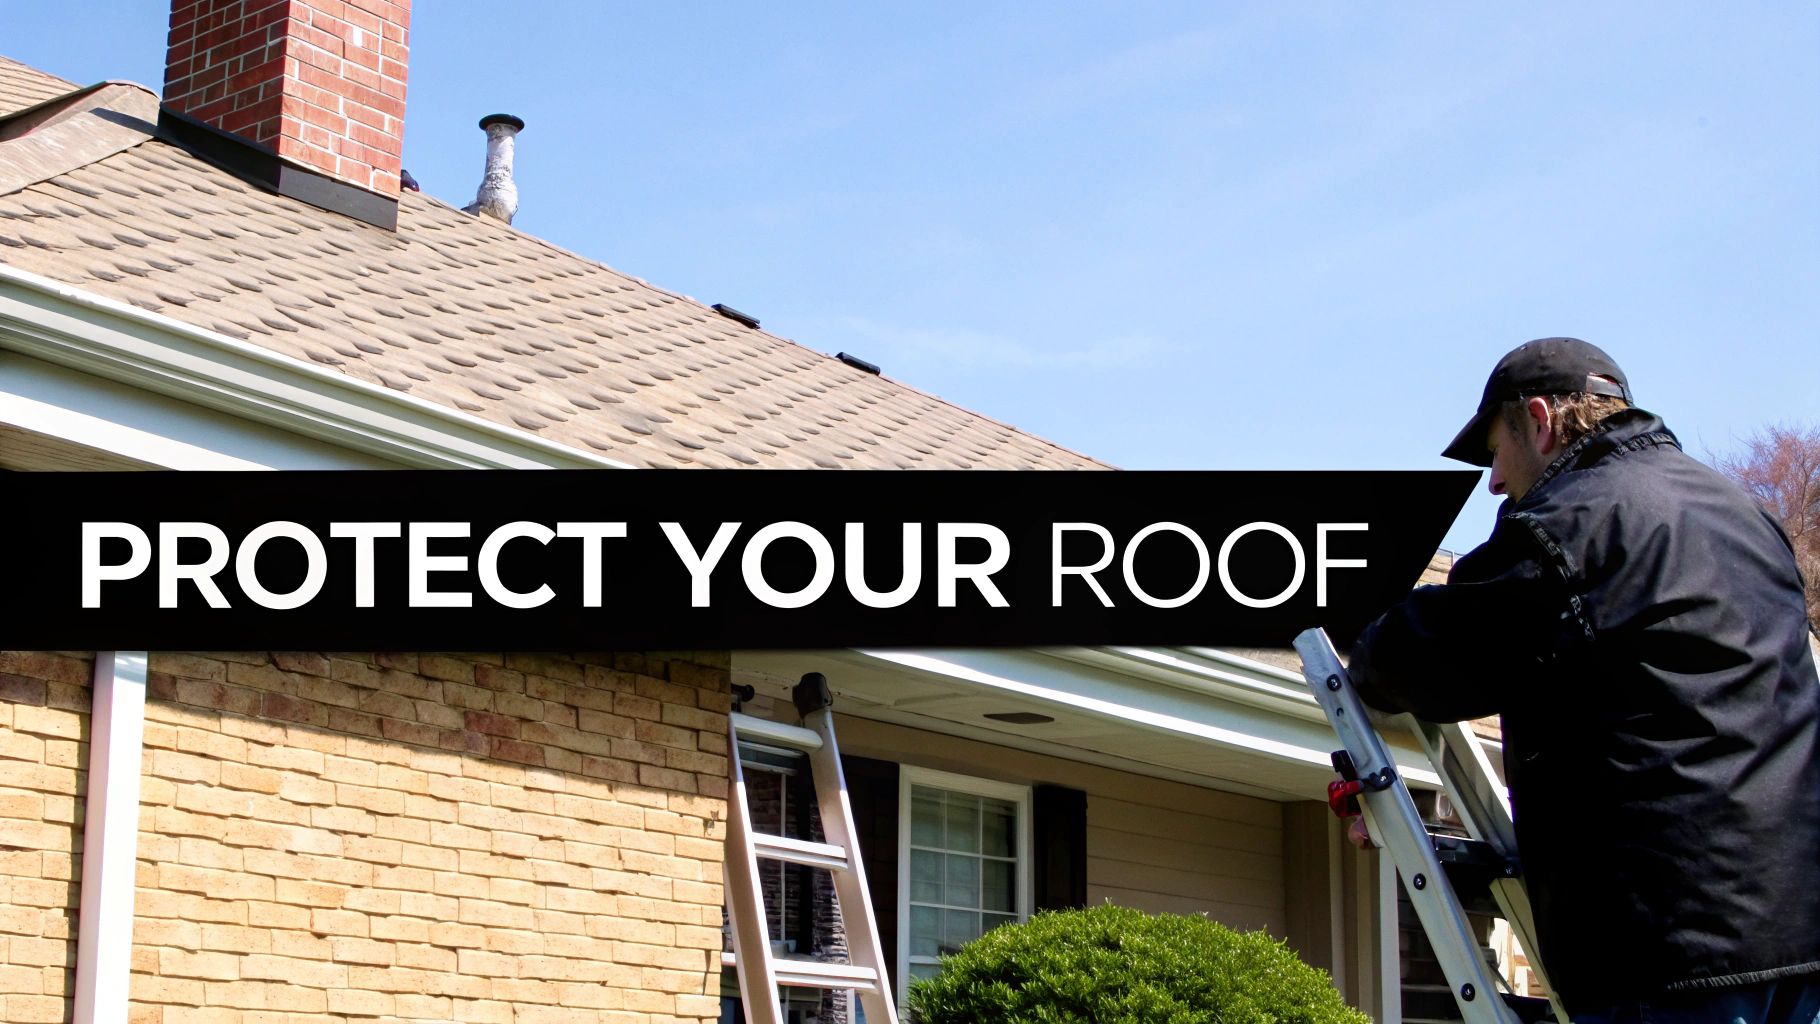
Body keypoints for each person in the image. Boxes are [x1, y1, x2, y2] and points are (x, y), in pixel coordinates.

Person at [1348, 337, 1820, 1024]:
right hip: (1800, 938)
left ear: (1539, 421)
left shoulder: (1572, 525)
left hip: (1673, 957)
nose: (1494, 483)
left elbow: (1431, 656)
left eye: (1496, 452)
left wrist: (1362, 651)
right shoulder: (1745, 518)